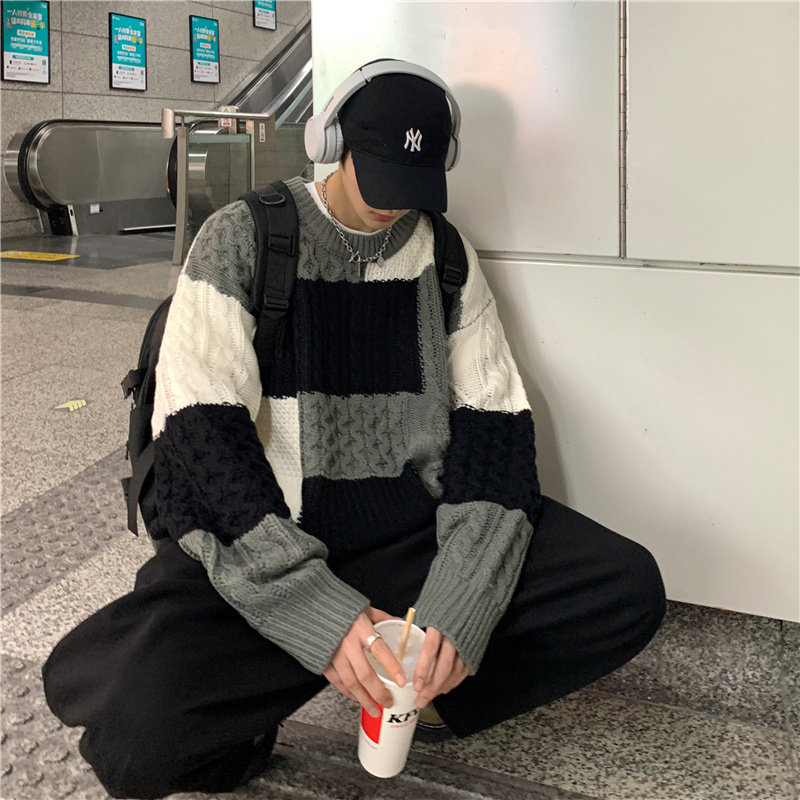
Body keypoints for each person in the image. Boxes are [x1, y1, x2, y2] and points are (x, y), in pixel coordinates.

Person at [42, 59, 666, 799]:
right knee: (133, 750)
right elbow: (203, 444)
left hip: (409, 532)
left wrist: (458, 606)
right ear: (331, 143)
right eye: (378, 178)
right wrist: (318, 616)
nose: (393, 206)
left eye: (413, 185)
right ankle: (311, 668)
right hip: (269, 531)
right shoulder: (240, 237)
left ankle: (416, 688)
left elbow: (495, 435)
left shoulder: (446, 255)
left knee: (625, 588)